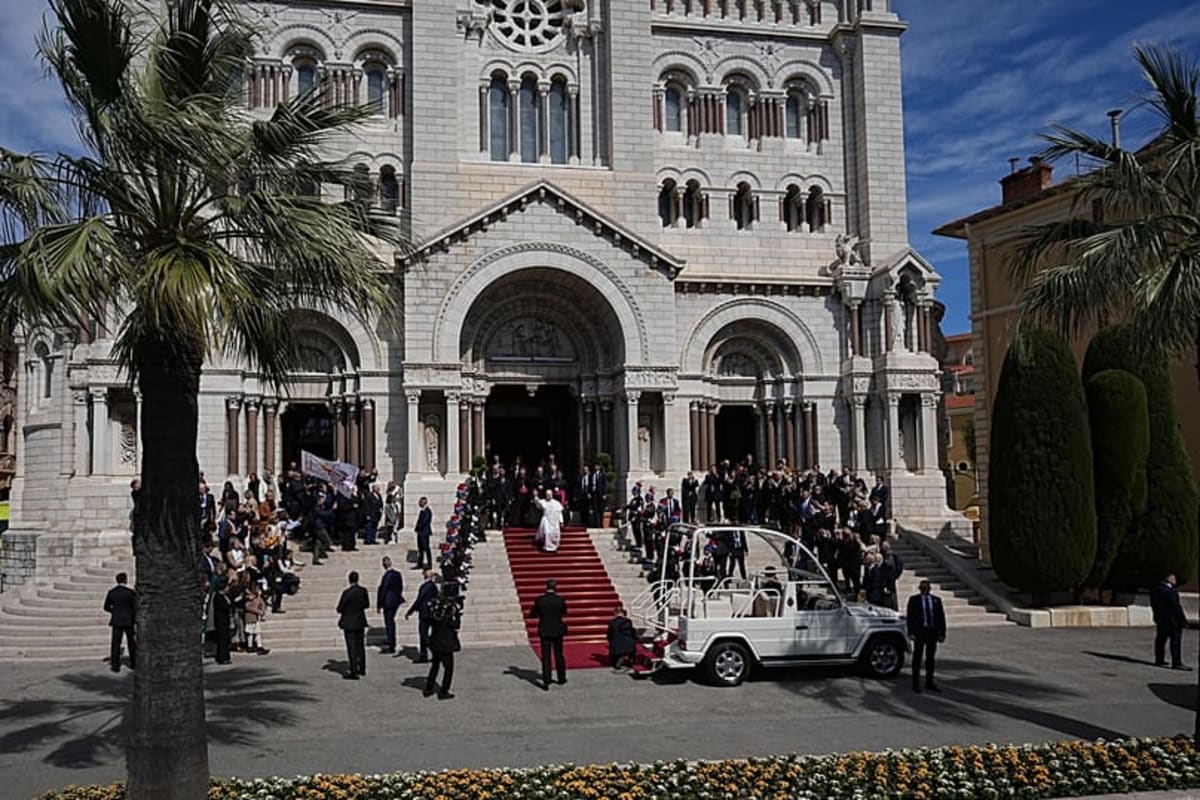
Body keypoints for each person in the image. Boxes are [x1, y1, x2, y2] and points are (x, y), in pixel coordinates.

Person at [906, 579, 946, 693]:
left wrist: (942, 633)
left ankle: (929, 682)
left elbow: (941, 617)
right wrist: (911, 633)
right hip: (920, 632)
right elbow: (910, 618)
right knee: (917, 658)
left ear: (929, 589)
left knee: (930, 659)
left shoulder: (936, 600)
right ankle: (915, 683)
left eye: (926, 588)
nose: (924, 591)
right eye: (922, 588)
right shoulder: (914, 600)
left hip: (932, 632)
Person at [424, 584, 461, 700]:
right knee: (448, 668)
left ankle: (428, 688)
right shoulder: (450, 608)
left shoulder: (435, 606)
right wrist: (458, 615)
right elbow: (455, 625)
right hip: (446, 641)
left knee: (435, 666)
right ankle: (444, 691)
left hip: (435, 639)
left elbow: (430, 620)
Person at [530, 578, 568, 690]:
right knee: (559, 654)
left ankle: (546, 680)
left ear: (546, 587)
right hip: (557, 629)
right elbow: (564, 612)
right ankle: (561, 677)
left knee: (546, 656)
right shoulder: (560, 600)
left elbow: (533, 614)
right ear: (555, 587)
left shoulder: (540, 600)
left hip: (545, 629)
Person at [1149, 573, 1191, 670]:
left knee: (1160, 640)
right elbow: (1176, 607)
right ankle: (1176, 662)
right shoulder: (1171, 592)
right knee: (1175, 642)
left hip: (1161, 619)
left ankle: (1159, 659)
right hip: (1173, 621)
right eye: (1173, 577)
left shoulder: (1155, 590)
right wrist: (1183, 620)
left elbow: (1154, 605)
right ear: (1169, 579)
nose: (1175, 579)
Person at [336, 570, 370, 679]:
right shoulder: (363, 591)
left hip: (349, 622)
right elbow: (366, 604)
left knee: (352, 647)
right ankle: (362, 668)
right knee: (360, 646)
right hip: (360, 621)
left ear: (349, 580)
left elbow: (340, 608)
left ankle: (354, 671)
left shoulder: (347, 592)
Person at [103, 572, 137, 672]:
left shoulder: (112, 592)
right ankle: (134, 663)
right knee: (131, 642)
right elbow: (135, 606)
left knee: (116, 643)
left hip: (116, 620)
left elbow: (106, 607)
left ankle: (115, 665)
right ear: (125, 580)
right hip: (128, 620)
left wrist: (115, 611)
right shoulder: (130, 592)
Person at [406, 569, 438, 663]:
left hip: (425, 613)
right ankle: (424, 655)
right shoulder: (433, 586)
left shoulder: (426, 586)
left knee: (423, 634)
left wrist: (410, 611)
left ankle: (433, 652)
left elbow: (419, 600)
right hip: (430, 612)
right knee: (424, 634)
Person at [377, 556, 405, 654]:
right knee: (390, 621)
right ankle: (390, 639)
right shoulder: (397, 574)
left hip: (388, 602)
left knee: (389, 622)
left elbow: (383, 590)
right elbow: (400, 587)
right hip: (395, 601)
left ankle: (391, 644)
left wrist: (379, 604)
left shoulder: (387, 576)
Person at [606, 605, 636, 670]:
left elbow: (609, 635)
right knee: (630, 643)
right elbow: (632, 632)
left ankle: (617, 662)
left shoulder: (612, 622)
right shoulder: (628, 621)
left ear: (615, 613)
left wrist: (609, 640)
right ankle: (631, 661)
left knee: (615, 644)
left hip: (617, 646)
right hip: (629, 644)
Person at [212, 577, 233, 665]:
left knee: (225, 639)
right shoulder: (218, 597)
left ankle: (224, 656)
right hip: (221, 621)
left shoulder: (225, 597)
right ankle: (222, 658)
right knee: (222, 640)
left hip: (225, 621)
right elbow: (224, 608)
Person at [243, 584, 269, 655]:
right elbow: (248, 607)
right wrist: (259, 611)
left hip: (256, 617)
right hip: (250, 617)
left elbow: (262, 604)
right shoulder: (248, 598)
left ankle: (259, 646)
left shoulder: (258, 598)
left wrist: (262, 611)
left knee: (257, 632)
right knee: (250, 633)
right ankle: (250, 646)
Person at [414, 497, 433, 570]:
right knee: (420, 549)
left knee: (426, 548)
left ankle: (429, 564)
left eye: (420, 502)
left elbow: (424, 522)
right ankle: (420, 563)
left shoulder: (427, 511)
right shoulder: (422, 511)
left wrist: (418, 527)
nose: (419, 503)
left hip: (424, 533)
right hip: (420, 532)